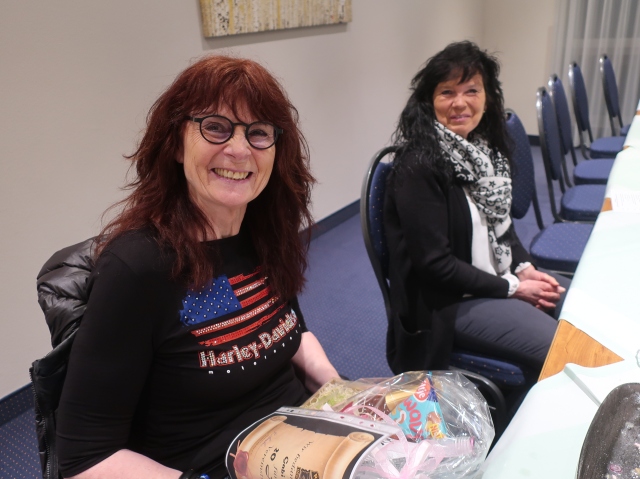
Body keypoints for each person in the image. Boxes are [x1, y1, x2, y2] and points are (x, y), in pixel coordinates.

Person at [54, 55, 339, 479]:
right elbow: (86, 456)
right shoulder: (139, 268)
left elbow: (291, 330)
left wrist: (339, 392)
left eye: (259, 132)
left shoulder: (263, 233)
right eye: (216, 127)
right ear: (175, 143)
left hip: (302, 442)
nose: (239, 149)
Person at [383, 41, 570, 384]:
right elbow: (436, 267)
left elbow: (501, 227)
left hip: (496, 281)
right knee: (569, 349)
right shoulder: (419, 166)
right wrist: (514, 287)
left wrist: (525, 268)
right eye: (447, 92)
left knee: (580, 304)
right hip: (447, 304)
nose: (460, 103)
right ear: (428, 101)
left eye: (471, 90)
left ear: (488, 97)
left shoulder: (483, 153)